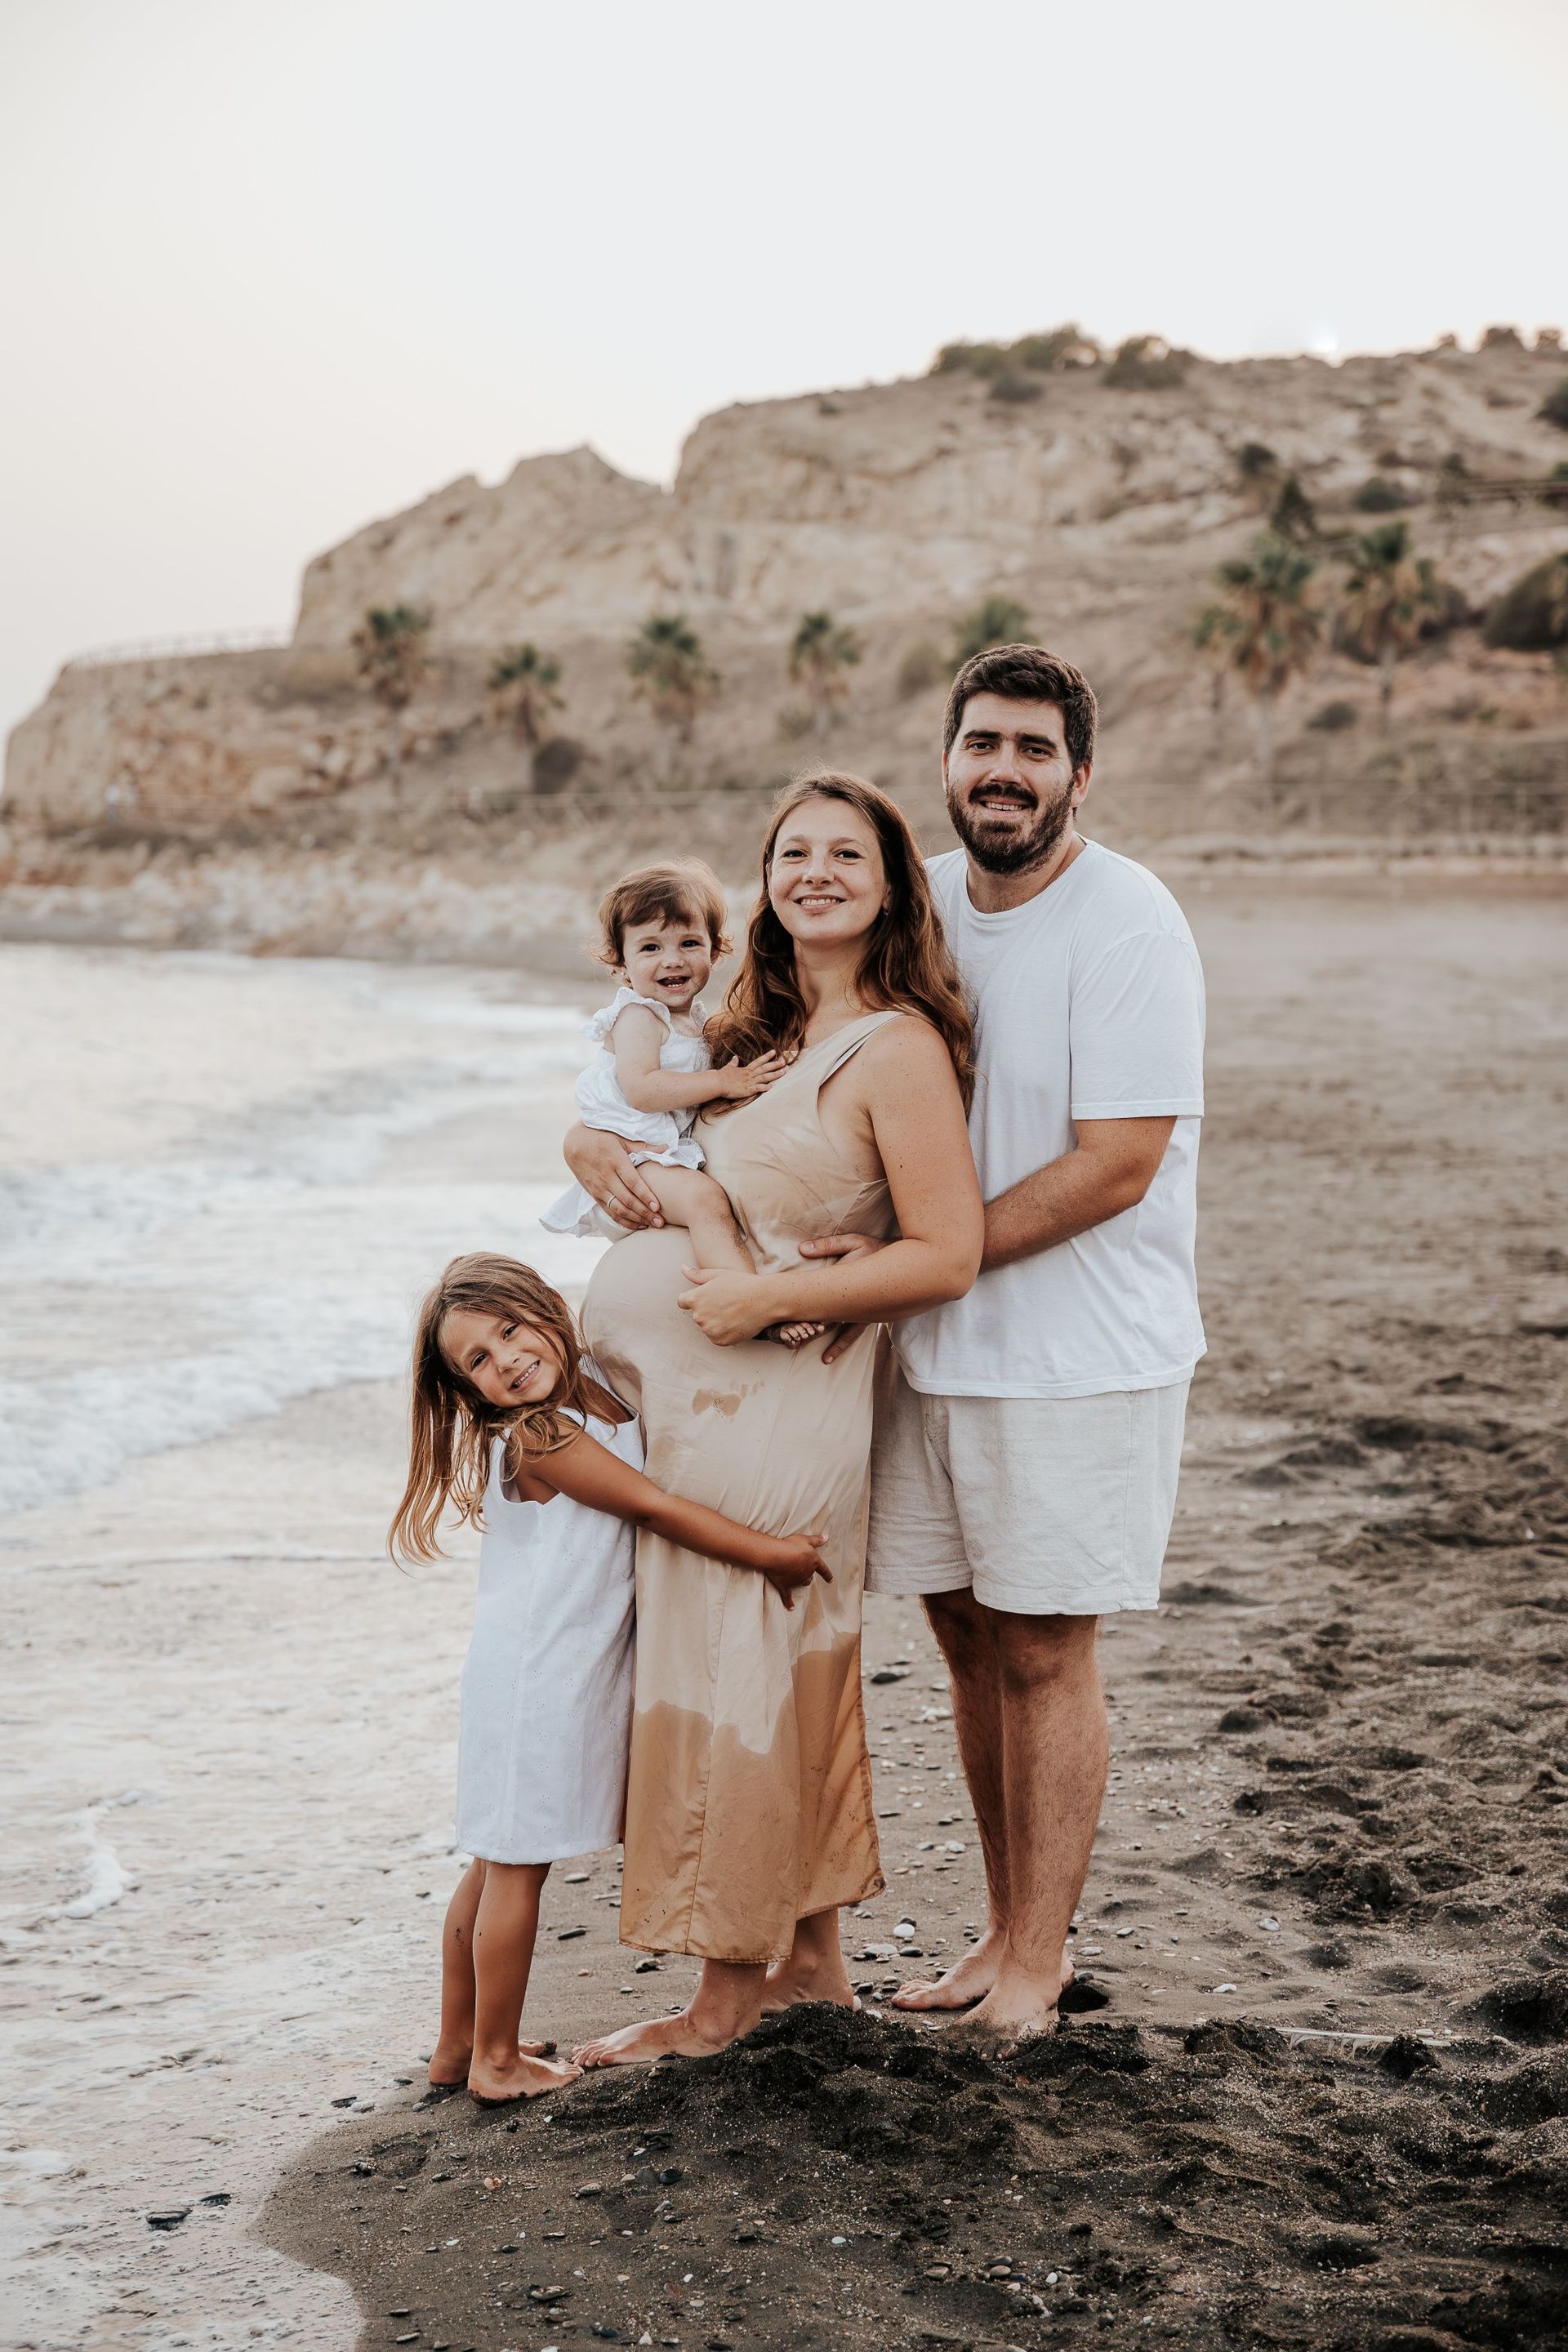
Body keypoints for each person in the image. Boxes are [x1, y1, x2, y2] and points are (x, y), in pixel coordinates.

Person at [559, 776, 984, 2068]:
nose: (815, 872)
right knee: (787, 1665)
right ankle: (809, 1963)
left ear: (892, 884)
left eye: (847, 853)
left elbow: (947, 1252)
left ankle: (721, 2000)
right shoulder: (754, 1029)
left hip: (781, 1406)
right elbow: (633, 1122)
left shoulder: (896, 1049)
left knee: (736, 1665)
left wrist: (771, 1296)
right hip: (700, 1414)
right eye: (793, 851)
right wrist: (585, 1147)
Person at [819, 644, 1206, 2040]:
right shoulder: (916, 904)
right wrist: (602, 1132)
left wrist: (931, 1257)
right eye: (983, 743)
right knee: (969, 1638)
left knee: (1045, 1647)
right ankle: (997, 1930)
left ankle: (1040, 1964)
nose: (1005, 770)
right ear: (947, 761)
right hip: (927, 1351)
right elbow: (783, 1038)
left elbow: (1119, 1163)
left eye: (1035, 750)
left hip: (1075, 1357)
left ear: (1079, 777)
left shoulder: (1128, 920)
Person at [388, 1251, 831, 2105]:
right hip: (537, 1681)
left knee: (493, 1864)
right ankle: (495, 2061)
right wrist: (770, 1554)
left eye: (510, 1330)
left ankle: (456, 2046)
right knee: (513, 1869)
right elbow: (652, 1507)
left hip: (547, 1671)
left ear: (548, 1307)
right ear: (469, 1389)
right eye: (479, 1360)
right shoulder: (541, 1436)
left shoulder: (593, 1385)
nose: (507, 1359)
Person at [541, 861, 788, 1281]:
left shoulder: (694, 1019)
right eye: (650, 948)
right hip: (632, 1163)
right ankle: (740, 1291)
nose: (672, 960)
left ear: (714, 951)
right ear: (621, 963)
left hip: (659, 1157)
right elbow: (644, 1090)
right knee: (706, 1201)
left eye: (689, 943)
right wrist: (724, 1081)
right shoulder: (640, 1016)